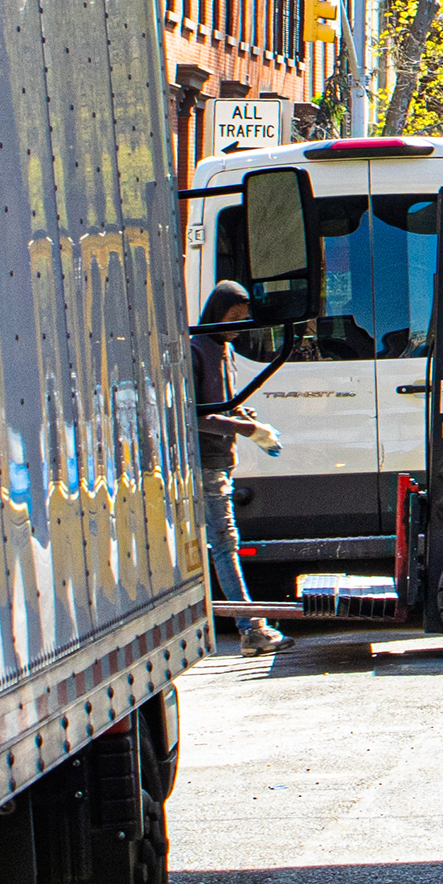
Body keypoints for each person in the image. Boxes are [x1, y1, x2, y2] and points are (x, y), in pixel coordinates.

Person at [192, 281, 284, 658]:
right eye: (232, 318)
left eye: (243, 319)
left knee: (219, 542)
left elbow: (223, 405)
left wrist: (243, 416)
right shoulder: (196, 349)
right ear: (216, 313)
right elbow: (195, 414)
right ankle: (251, 629)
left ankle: (250, 627)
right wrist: (244, 429)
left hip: (222, 459)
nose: (238, 327)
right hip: (206, 463)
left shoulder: (224, 349)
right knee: (224, 543)